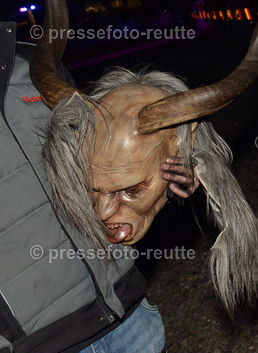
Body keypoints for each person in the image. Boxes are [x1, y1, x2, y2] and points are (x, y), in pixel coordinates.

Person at [0, 23, 192, 353]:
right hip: (37, 344)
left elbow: (107, 159)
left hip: (128, 313)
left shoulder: (33, 63)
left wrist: (166, 177)